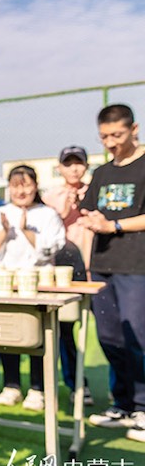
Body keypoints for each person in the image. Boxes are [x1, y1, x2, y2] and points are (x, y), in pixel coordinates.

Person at [78, 104, 145, 443]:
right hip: (102, 266)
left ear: (134, 129)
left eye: (116, 135)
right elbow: (90, 210)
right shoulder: (102, 172)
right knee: (109, 338)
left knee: (138, 337)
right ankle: (123, 404)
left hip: (137, 266)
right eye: (104, 137)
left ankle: (143, 407)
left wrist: (113, 224)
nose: (110, 143)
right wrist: (89, 220)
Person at [0, 165, 65, 411]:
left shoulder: (48, 214)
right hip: (5, 284)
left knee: (37, 335)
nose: (21, 191)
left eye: (26, 185)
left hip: (37, 283)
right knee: (8, 334)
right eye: (15, 185)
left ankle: (37, 388)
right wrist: (3, 232)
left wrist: (25, 231)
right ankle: (11, 384)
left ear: (36, 186)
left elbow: (53, 249)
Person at [41, 145, 95, 407]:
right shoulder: (52, 196)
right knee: (65, 331)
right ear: (60, 167)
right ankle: (77, 385)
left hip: (95, 269)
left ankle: (127, 391)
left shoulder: (95, 190)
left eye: (79, 163)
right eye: (68, 163)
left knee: (111, 331)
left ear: (85, 165)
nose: (74, 168)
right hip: (65, 273)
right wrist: (68, 200)